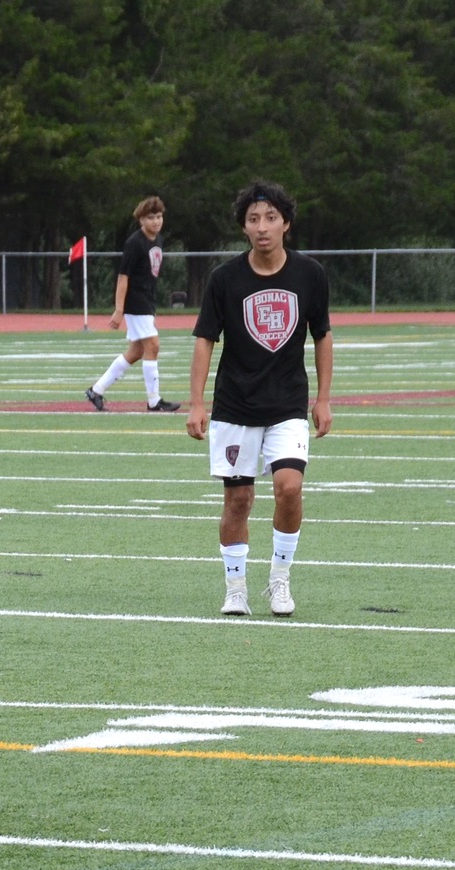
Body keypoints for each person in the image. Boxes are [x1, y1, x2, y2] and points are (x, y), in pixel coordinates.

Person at [186, 180, 332, 617]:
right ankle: (235, 588)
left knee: (289, 487)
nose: (262, 226)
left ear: (286, 223)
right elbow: (204, 340)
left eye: (271, 218)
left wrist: (323, 398)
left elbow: (321, 336)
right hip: (235, 405)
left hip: (288, 402)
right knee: (239, 501)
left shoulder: (310, 275)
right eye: (253, 219)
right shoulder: (224, 279)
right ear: (244, 229)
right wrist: (196, 403)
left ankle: (280, 579)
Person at [86, 196, 179, 412]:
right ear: (141, 220)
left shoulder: (158, 240)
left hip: (148, 299)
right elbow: (123, 277)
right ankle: (154, 400)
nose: (156, 221)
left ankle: (96, 390)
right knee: (153, 346)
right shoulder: (134, 243)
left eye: (159, 216)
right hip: (136, 302)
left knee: (136, 351)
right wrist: (119, 309)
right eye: (151, 217)